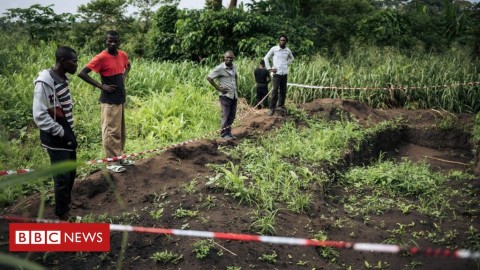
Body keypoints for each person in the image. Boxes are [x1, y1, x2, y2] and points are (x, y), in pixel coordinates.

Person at [32, 46, 78, 220]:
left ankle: (65, 207)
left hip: (66, 132)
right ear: (62, 61)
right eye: (73, 61)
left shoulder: (62, 78)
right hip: (56, 136)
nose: (76, 65)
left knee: (71, 173)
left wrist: (68, 130)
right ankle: (62, 216)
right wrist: (60, 131)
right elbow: (39, 114)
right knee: (62, 178)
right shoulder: (44, 82)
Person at [78, 30, 133, 173]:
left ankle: (119, 157)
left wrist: (123, 77)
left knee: (120, 131)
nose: (113, 43)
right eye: (110, 41)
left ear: (119, 41)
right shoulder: (101, 57)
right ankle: (111, 162)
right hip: (109, 101)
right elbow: (82, 73)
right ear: (106, 41)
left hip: (120, 98)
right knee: (110, 131)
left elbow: (128, 66)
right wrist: (101, 86)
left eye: (115, 41)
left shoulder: (123, 55)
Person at [207, 51, 238, 140]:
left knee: (232, 115)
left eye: (231, 58)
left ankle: (229, 133)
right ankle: (224, 134)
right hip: (225, 96)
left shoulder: (234, 66)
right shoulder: (220, 68)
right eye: (227, 57)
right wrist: (218, 88)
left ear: (233, 58)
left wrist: (237, 88)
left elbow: (236, 76)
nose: (229, 59)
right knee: (225, 115)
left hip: (234, 95)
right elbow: (209, 78)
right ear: (224, 58)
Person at [264, 35, 294, 116]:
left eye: (284, 40)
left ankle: (280, 105)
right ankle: (272, 108)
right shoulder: (274, 49)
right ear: (278, 41)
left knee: (283, 91)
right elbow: (266, 58)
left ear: (286, 41)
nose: (282, 41)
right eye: (281, 40)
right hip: (276, 74)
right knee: (275, 91)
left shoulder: (287, 50)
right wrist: (269, 68)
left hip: (284, 73)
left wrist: (286, 63)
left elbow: (292, 58)